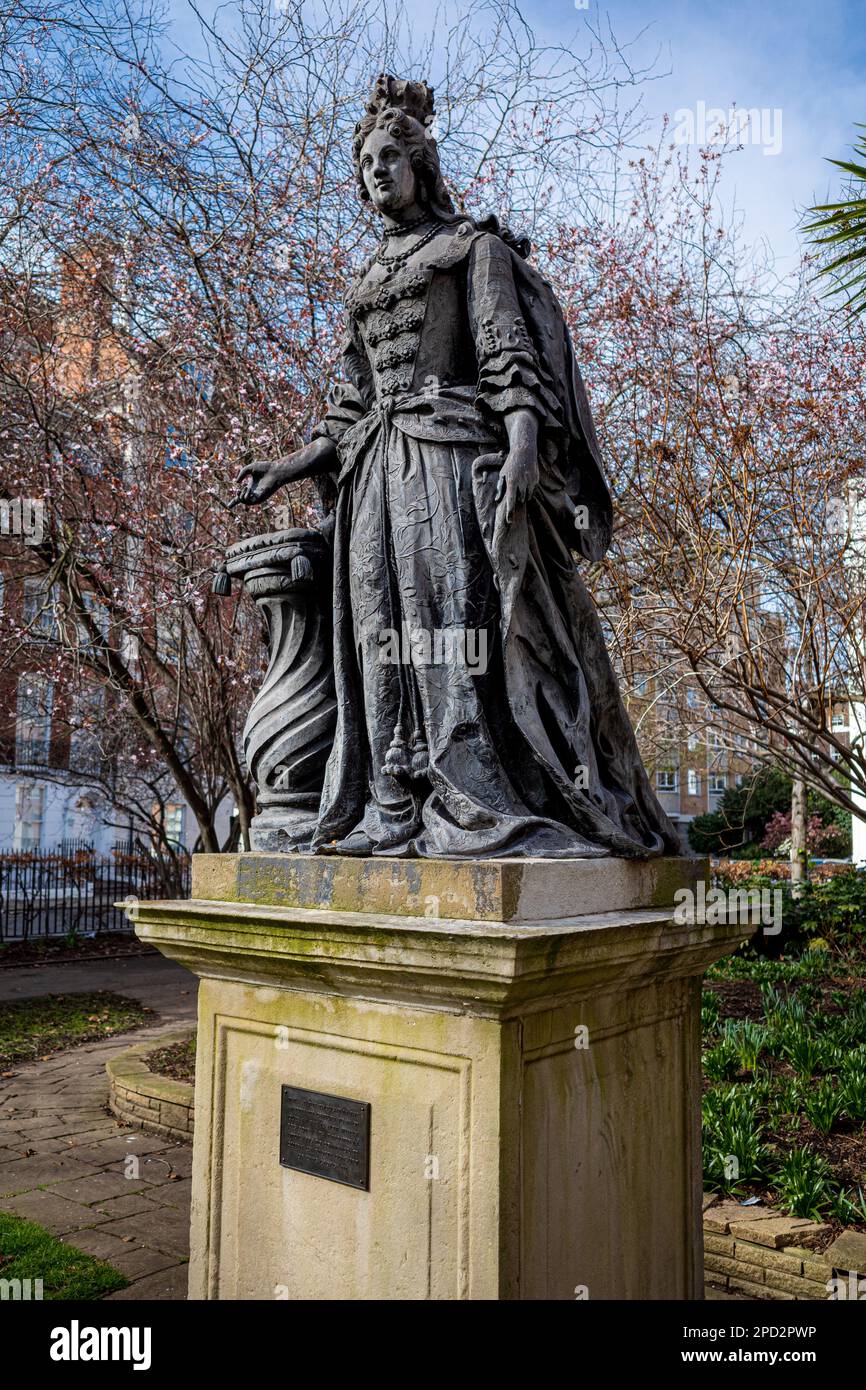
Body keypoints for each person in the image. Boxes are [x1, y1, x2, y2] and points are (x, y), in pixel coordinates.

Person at [236, 74, 679, 860]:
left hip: (445, 463)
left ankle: (467, 792)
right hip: (374, 472)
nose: (376, 171)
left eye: (389, 159)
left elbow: (510, 359)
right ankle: (389, 804)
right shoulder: (365, 281)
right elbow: (349, 403)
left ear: (421, 167)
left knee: (449, 627)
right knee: (376, 631)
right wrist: (286, 466)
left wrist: (520, 448)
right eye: (366, 162)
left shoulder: (473, 249)